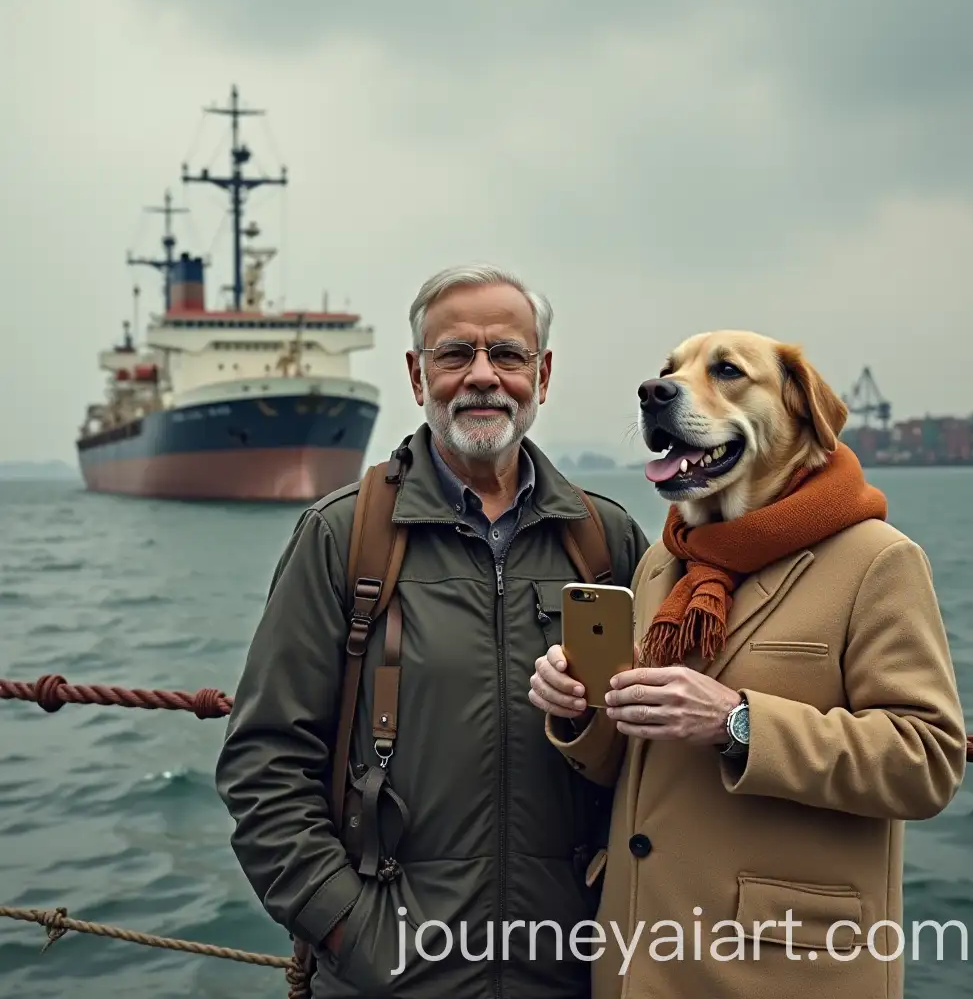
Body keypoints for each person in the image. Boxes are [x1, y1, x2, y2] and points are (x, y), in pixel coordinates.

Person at [215, 263, 650, 998]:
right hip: (388, 977)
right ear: (418, 377)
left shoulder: (604, 542)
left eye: (508, 354)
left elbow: (654, 761)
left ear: (542, 377)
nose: (483, 376)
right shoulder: (346, 536)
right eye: (456, 354)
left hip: (570, 972)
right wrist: (355, 933)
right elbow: (264, 765)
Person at [528, 330, 967, 999]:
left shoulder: (878, 561)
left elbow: (927, 762)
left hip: (783, 970)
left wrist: (738, 723)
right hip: (636, 960)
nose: (667, 389)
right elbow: (638, 759)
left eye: (727, 373)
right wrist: (579, 709)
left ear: (800, 408)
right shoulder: (662, 565)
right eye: (668, 375)